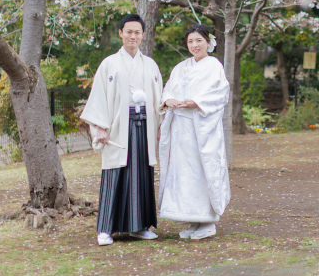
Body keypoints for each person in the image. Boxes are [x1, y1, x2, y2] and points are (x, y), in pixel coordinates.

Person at [80, 14, 163, 246]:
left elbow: (158, 98)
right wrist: (100, 128)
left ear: (143, 34)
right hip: (117, 126)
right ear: (121, 33)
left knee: (142, 175)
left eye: (137, 32)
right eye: (129, 32)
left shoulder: (151, 65)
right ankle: (105, 229)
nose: (133, 36)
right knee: (115, 173)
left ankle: (139, 227)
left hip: (144, 124)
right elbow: (99, 97)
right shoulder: (109, 63)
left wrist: (160, 126)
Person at [158, 24, 230, 240]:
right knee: (183, 173)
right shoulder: (181, 67)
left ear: (208, 42)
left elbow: (221, 94)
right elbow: (168, 89)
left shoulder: (214, 66)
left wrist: (196, 102)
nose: (194, 45)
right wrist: (168, 99)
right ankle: (193, 219)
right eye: (190, 41)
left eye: (199, 40)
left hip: (201, 127)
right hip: (181, 129)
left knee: (201, 170)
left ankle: (208, 222)